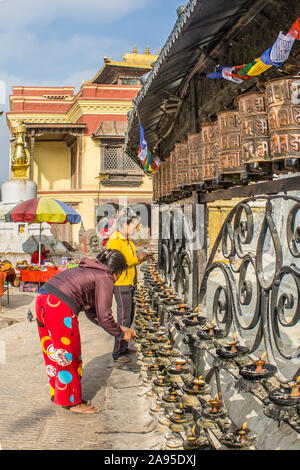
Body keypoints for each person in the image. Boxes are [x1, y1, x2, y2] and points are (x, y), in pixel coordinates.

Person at [35, 249, 136, 414]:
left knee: (53, 351)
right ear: (116, 271)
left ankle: (59, 393)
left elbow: (92, 312)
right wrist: (120, 334)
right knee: (68, 355)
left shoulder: (89, 269)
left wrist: (117, 328)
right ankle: (72, 402)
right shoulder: (105, 276)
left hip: (42, 299)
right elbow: (104, 315)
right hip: (59, 306)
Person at [106, 210, 152, 364]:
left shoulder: (127, 241)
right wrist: (138, 258)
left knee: (129, 315)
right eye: (134, 226)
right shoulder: (115, 240)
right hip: (121, 284)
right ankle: (118, 352)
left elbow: (130, 260)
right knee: (123, 318)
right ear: (125, 225)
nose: (135, 230)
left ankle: (124, 346)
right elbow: (120, 262)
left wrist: (141, 258)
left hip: (129, 282)